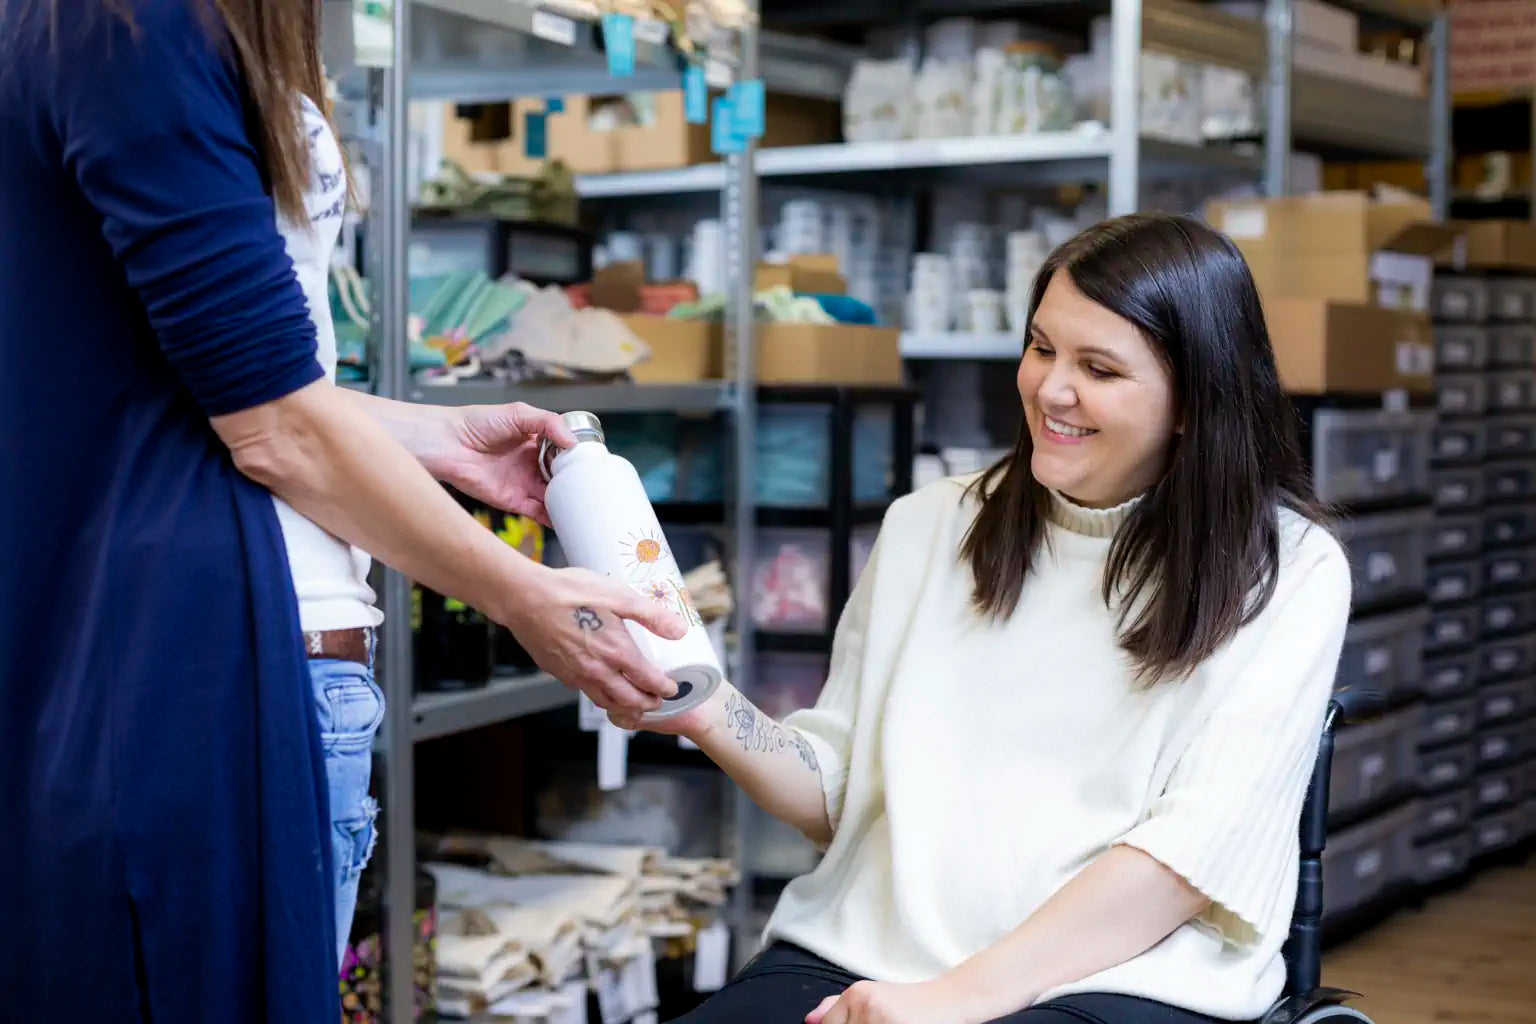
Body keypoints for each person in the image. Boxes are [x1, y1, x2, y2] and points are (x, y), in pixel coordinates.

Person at [0, 0, 686, 1018]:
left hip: (202, 657)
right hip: (213, 674)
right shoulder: (134, 23)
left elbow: (217, 374)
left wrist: (437, 439)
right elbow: (273, 426)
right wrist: (522, 596)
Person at [619, 214, 1355, 1024]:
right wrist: (705, 706)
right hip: (862, 951)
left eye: (1100, 369)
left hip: (1119, 978)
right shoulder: (927, 526)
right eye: (1041, 349)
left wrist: (954, 1001)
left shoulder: (1289, 570)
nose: (1050, 390)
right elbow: (838, 792)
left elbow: (1188, 857)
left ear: (1193, 400)